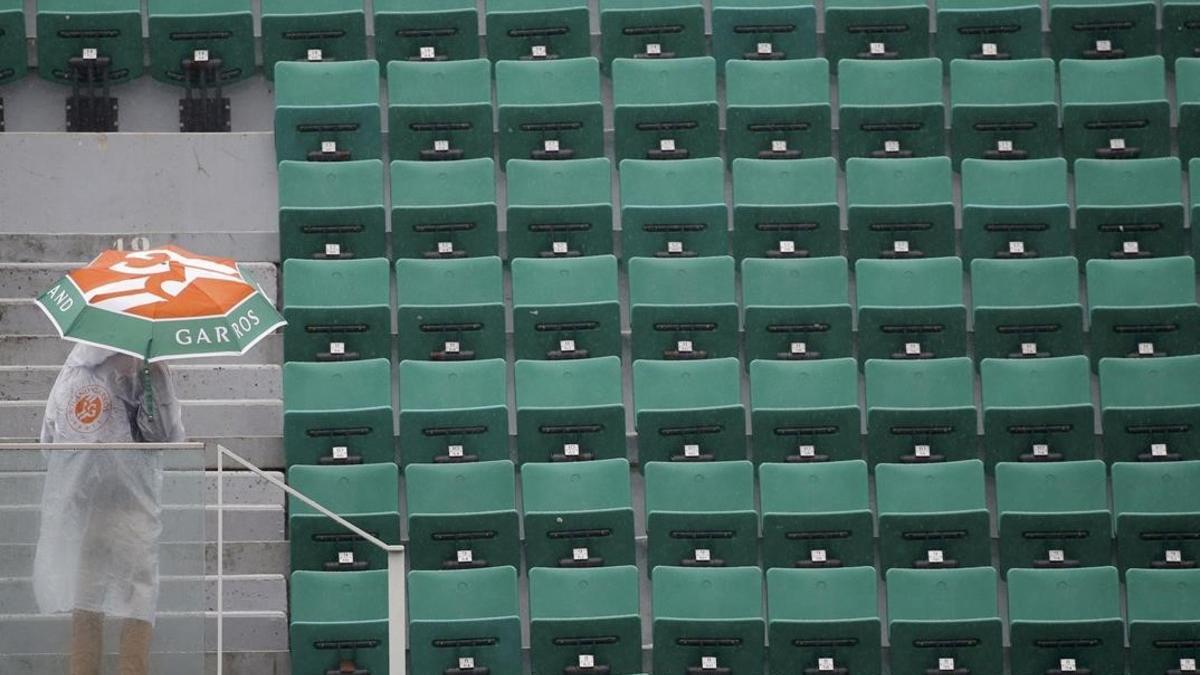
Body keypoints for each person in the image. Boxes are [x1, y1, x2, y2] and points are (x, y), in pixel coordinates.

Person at [33, 344, 186, 675]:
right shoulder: (147, 365)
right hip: (132, 505)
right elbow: (162, 434)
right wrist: (149, 375)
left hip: (83, 504)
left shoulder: (72, 369)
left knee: (87, 601)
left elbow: (48, 438)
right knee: (135, 601)